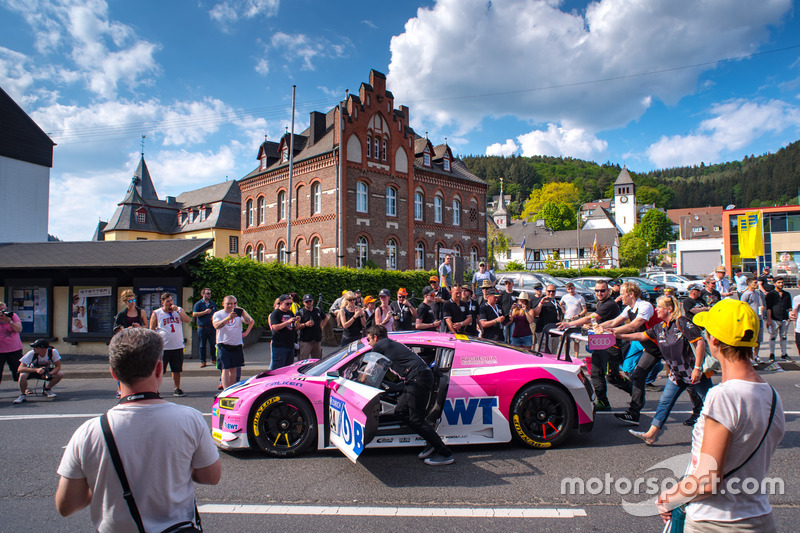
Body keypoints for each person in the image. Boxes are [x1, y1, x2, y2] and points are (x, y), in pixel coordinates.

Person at [55, 328, 221, 531]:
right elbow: (211, 477)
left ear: (113, 373)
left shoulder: (88, 432)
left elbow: (66, 506)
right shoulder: (190, 418)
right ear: (159, 369)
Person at [656, 299, 785, 532]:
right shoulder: (772, 395)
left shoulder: (723, 396)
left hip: (716, 521)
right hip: (760, 518)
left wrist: (669, 497)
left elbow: (707, 480)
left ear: (713, 340)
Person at [619, 295, 713, 444]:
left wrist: (697, 368)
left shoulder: (681, 322)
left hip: (694, 372)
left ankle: (725, 433)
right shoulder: (660, 328)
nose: (656, 309)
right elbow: (640, 335)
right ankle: (651, 434)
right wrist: (618, 334)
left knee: (710, 403)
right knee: (664, 402)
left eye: (659, 307)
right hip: (677, 374)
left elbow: (699, 343)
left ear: (669, 309)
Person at [365, 324, 454, 466]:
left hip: (418, 378)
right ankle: (430, 437)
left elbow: (369, 370)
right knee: (400, 412)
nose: (369, 343)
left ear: (375, 337)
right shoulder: (389, 343)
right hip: (418, 377)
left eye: (369, 339)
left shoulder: (380, 345)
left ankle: (445, 453)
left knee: (416, 420)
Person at [558, 280, 627, 411]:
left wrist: (569, 324)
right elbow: (595, 321)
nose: (599, 293)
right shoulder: (601, 303)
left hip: (611, 345)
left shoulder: (609, 304)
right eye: (597, 291)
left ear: (608, 291)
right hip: (599, 343)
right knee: (595, 373)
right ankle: (603, 402)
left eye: (602, 290)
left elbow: (591, 318)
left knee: (612, 376)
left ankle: (635, 393)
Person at [149, 293, 191, 397]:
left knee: (177, 369)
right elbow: (152, 329)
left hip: (177, 346)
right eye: (167, 301)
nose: (170, 303)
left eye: (171, 301)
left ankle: (177, 388)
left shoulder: (178, 311)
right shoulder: (157, 313)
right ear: (162, 302)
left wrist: (179, 311)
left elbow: (187, 320)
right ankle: (155, 389)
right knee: (160, 370)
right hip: (163, 347)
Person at [212, 295, 254, 389]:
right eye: (228, 304)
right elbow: (217, 326)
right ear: (223, 304)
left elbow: (249, 321)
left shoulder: (238, 314)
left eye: (234, 303)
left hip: (236, 344)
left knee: (234, 368)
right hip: (224, 344)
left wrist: (243, 314)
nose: (231, 306)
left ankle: (231, 388)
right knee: (225, 368)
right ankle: (225, 389)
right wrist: (228, 318)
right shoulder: (218, 314)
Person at [765, 276, 792, 363]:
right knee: (773, 337)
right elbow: (768, 308)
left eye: (782, 282)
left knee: (783, 337)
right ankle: (772, 354)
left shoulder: (787, 294)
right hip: (774, 319)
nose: (781, 284)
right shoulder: (771, 294)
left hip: (784, 319)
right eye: (779, 282)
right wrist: (769, 320)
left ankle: (784, 354)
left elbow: (789, 307)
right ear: (775, 283)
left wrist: (789, 318)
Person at [270, 294, 300, 369]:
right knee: (278, 369)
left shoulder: (290, 313)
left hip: (290, 345)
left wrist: (298, 321)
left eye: (291, 304)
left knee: (288, 368)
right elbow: (275, 327)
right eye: (287, 304)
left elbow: (295, 328)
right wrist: (288, 322)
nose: (289, 306)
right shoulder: (275, 313)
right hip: (280, 346)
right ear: (281, 303)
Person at [740, 277, 766, 364]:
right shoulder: (746, 294)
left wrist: (762, 308)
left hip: (759, 318)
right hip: (750, 319)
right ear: (750, 284)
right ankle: (749, 356)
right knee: (751, 338)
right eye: (755, 283)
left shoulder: (757, 293)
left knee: (758, 339)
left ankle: (756, 356)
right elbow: (742, 307)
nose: (756, 284)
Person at [0, 302, 24, 392]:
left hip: (14, 348)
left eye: (4, 309)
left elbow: (18, 329)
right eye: (1, 310)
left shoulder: (12, 316)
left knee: (18, 369)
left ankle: (23, 388)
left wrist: (9, 321)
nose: (3, 312)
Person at [297, 294, 328, 359]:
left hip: (317, 340)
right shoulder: (300, 312)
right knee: (303, 361)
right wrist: (305, 324)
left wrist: (322, 326)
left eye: (310, 301)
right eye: (306, 302)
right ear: (303, 303)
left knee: (317, 361)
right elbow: (296, 327)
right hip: (305, 341)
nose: (309, 303)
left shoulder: (317, 310)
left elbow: (325, 318)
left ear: (313, 301)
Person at [192, 288, 217, 368]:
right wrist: (205, 312)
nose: (209, 295)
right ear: (203, 294)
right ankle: (203, 361)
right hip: (202, 327)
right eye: (207, 293)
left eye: (210, 293)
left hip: (211, 327)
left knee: (213, 344)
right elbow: (194, 314)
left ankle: (213, 359)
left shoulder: (212, 303)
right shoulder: (198, 304)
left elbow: (216, 312)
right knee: (202, 345)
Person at [560, 282, 587, 356]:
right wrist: (562, 309)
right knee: (566, 339)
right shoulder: (565, 297)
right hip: (567, 319)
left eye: (572, 289)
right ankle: (566, 355)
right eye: (569, 289)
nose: (571, 290)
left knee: (576, 340)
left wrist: (578, 315)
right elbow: (560, 304)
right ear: (567, 290)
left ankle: (576, 356)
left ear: (574, 288)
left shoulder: (580, 298)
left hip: (576, 320)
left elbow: (584, 310)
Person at [533, 284, 562, 352]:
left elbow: (559, 316)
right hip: (543, 331)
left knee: (554, 352)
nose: (551, 293)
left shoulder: (556, 302)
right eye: (549, 291)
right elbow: (536, 313)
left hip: (555, 331)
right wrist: (541, 303)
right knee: (545, 352)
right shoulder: (541, 300)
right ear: (546, 291)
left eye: (553, 291)